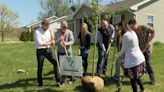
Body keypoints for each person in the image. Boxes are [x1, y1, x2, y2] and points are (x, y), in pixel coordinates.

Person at [117, 21, 145, 92]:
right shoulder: (133, 32)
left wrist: (118, 55)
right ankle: (142, 90)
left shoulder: (126, 35)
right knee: (137, 76)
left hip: (133, 60)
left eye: (119, 28)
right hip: (139, 58)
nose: (119, 30)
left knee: (133, 79)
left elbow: (123, 49)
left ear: (122, 27)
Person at [34, 19, 63, 87]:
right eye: (46, 26)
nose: (47, 28)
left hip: (48, 50)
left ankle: (58, 80)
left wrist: (53, 40)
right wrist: (49, 42)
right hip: (40, 51)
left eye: (48, 26)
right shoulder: (37, 32)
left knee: (55, 62)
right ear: (43, 25)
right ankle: (40, 83)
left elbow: (51, 38)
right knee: (40, 67)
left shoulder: (48, 30)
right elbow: (40, 43)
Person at [128, 19, 156, 85]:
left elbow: (153, 31)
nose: (131, 28)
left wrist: (149, 42)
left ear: (135, 24)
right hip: (139, 50)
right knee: (138, 64)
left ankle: (153, 79)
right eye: (130, 27)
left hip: (147, 49)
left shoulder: (144, 27)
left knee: (148, 63)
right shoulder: (133, 32)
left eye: (132, 26)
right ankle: (137, 79)